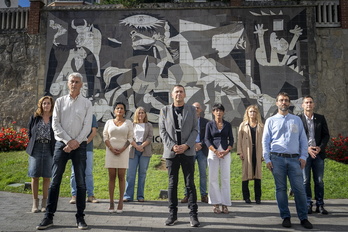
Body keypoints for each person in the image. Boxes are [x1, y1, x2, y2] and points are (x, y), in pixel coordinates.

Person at [36, 72, 93, 230]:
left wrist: (75, 143)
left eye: (77, 82)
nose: (74, 84)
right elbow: (55, 125)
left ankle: (80, 218)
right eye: (71, 81)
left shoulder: (87, 104)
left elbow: (87, 127)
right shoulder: (60, 102)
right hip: (62, 145)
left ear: (81, 85)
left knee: (81, 183)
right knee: (55, 182)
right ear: (67, 84)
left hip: (79, 147)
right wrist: (68, 141)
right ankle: (48, 217)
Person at [262, 92, 313, 229]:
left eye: (286, 100)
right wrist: (267, 158)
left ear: (289, 103)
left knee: (299, 189)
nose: (283, 102)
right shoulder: (270, 121)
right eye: (281, 100)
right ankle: (286, 216)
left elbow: (303, 139)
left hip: (294, 160)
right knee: (281, 189)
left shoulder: (296, 120)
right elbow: (265, 141)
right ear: (276, 103)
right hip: (276, 159)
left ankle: (303, 218)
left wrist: (303, 156)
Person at [159, 85, 200, 227]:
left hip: (187, 152)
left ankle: (193, 216)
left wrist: (186, 145)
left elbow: (195, 129)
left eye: (181, 92)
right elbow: (162, 130)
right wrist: (172, 146)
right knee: (172, 184)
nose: (179, 94)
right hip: (172, 153)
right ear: (172, 95)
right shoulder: (164, 110)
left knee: (190, 184)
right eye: (176, 92)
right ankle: (172, 215)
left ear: (185, 94)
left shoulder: (192, 110)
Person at [299, 95, 330, 215]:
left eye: (310, 102)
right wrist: (306, 149)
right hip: (305, 154)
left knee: (319, 181)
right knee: (305, 181)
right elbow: (295, 137)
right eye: (306, 102)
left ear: (314, 104)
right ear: (302, 105)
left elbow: (326, 135)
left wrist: (320, 148)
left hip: (318, 154)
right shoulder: (298, 119)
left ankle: (320, 205)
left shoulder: (320, 118)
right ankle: (308, 204)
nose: (308, 104)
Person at [26, 96, 56, 213]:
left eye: (48, 103)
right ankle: (35, 203)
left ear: (51, 105)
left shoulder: (54, 118)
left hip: (49, 147)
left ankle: (44, 203)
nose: (46, 105)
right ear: (41, 105)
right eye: (44, 103)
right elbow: (30, 132)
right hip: (36, 148)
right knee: (35, 175)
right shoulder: (35, 117)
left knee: (47, 176)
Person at [103, 102, 134, 213]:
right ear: (114, 111)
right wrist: (111, 148)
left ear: (124, 111)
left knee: (121, 176)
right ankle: (111, 202)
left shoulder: (128, 123)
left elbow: (130, 138)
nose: (119, 110)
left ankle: (120, 201)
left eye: (122, 108)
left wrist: (122, 149)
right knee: (111, 177)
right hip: (111, 151)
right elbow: (105, 136)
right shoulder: (109, 122)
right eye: (117, 108)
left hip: (123, 152)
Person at [205, 103, 234, 214]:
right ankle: (215, 203)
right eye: (216, 110)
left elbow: (231, 139)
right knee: (213, 178)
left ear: (223, 112)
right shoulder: (209, 124)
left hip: (225, 153)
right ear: (213, 112)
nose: (218, 112)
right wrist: (215, 151)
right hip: (213, 153)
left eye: (220, 110)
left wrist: (227, 151)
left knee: (225, 178)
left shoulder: (228, 124)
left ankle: (225, 204)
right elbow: (207, 140)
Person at [181, 102, 209, 204]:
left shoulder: (206, 122)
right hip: (190, 150)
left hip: (202, 151)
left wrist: (200, 144)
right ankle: (187, 195)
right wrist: (193, 145)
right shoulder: (187, 121)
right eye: (194, 108)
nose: (196, 109)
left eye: (198, 108)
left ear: (200, 110)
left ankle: (203, 195)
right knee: (189, 174)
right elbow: (185, 136)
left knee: (203, 174)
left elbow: (207, 136)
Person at [124, 107, 153, 202]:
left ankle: (140, 196)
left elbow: (150, 137)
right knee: (130, 174)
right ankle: (128, 196)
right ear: (136, 114)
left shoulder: (149, 125)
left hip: (145, 150)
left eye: (142, 113)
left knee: (142, 174)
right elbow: (129, 137)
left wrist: (142, 146)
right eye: (139, 113)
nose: (141, 114)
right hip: (133, 149)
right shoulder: (132, 125)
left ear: (145, 114)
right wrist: (136, 146)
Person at [237, 105, 264, 204]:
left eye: (254, 112)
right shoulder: (243, 125)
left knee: (257, 174)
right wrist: (240, 152)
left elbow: (265, 141)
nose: (252, 113)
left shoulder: (261, 126)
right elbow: (239, 139)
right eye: (250, 111)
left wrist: (264, 154)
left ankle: (258, 197)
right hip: (246, 151)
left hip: (258, 151)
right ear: (247, 113)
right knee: (245, 174)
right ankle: (246, 197)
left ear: (257, 113)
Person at [69, 114, 99, 204]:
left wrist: (84, 143)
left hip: (87, 149)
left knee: (88, 173)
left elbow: (93, 132)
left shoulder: (91, 116)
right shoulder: (74, 115)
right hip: (75, 148)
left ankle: (90, 195)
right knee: (74, 172)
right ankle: (74, 195)